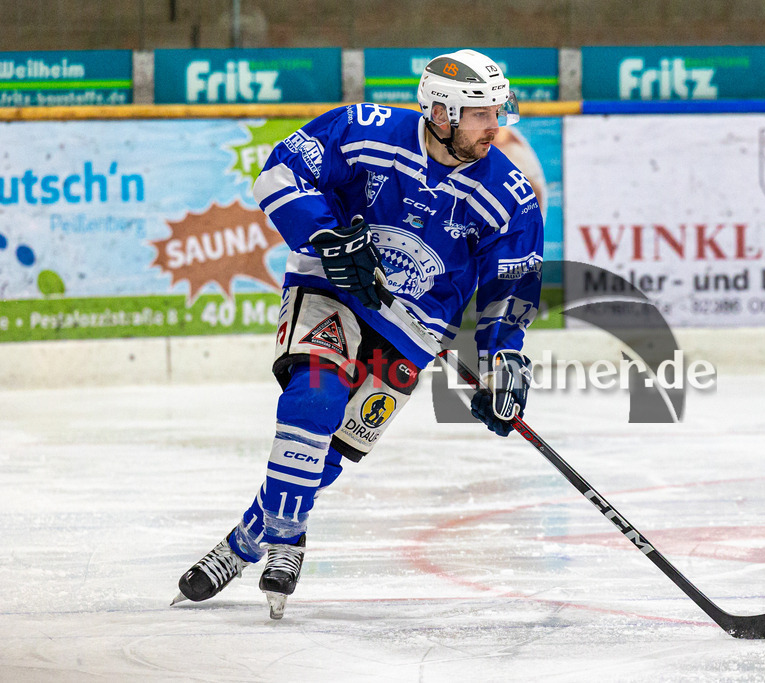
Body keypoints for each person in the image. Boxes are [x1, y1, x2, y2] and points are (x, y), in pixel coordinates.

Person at [172, 49, 544, 619]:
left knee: (329, 453)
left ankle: (244, 541)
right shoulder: (365, 129)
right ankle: (287, 538)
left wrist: (502, 363)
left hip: (412, 333)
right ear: (440, 113)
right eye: (479, 114)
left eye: (497, 111)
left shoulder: (509, 195)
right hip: (331, 288)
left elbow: (509, 287)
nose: (494, 126)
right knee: (313, 398)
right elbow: (279, 172)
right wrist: (326, 237)